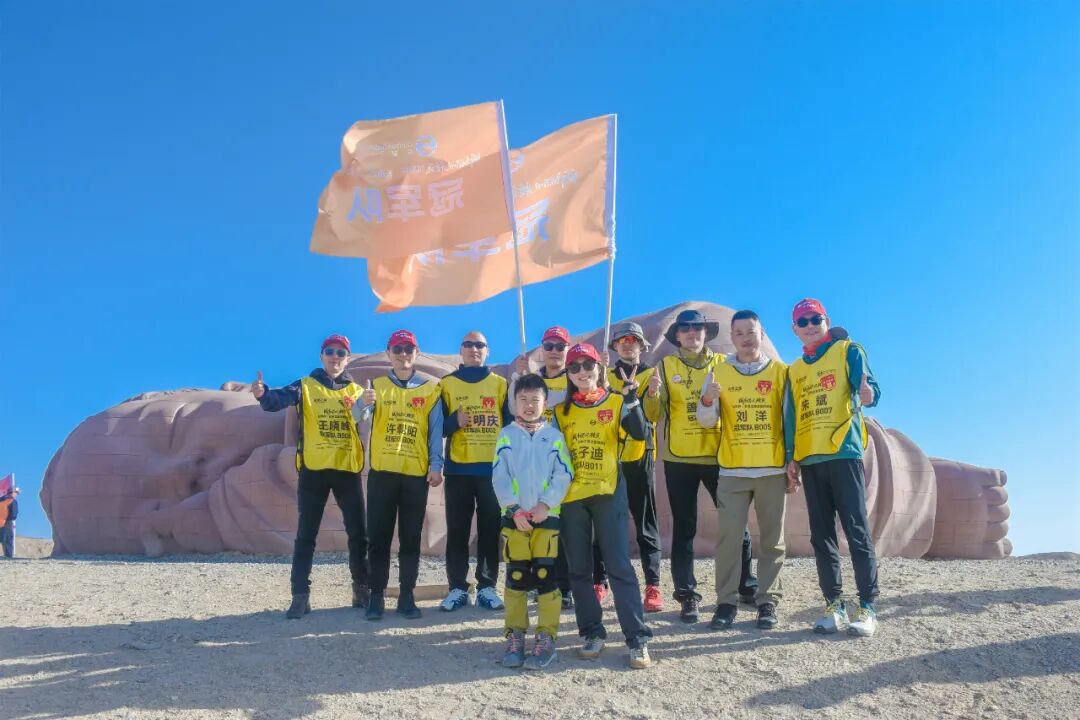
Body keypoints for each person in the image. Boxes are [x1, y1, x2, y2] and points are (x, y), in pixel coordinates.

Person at [253, 334, 371, 619]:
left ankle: (361, 589)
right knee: (306, 535)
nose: (335, 357)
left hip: (346, 468)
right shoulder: (305, 385)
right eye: (330, 351)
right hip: (314, 469)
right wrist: (262, 394)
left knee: (358, 533)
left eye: (340, 353)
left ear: (347, 359)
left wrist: (369, 403)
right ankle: (300, 596)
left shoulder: (357, 390)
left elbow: (365, 417)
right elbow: (277, 400)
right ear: (321, 356)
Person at [784, 298, 881, 637]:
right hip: (811, 459)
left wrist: (868, 394)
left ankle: (867, 606)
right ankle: (834, 605)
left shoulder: (848, 351)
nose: (810, 325)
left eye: (816, 319)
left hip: (843, 452)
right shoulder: (795, 370)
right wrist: (791, 457)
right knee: (821, 535)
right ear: (795, 330)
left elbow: (870, 389)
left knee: (856, 529)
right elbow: (792, 415)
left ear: (826, 321)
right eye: (803, 321)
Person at [555, 343, 654, 669]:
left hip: (608, 492)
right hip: (572, 498)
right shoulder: (559, 412)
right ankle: (592, 632)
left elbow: (639, 432)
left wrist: (631, 397)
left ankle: (637, 639)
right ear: (568, 374)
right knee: (579, 570)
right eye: (575, 367)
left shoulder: (615, 401)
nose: (582, 372)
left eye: (588, 365)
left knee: (619, 566)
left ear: (599, 368)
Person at [696, 310, 796, 631]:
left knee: (772, 540)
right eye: (738, 333)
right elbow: (706, 421)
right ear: (732, 337)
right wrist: (708, 401)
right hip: (733, 470)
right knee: (728, 539)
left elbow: (789, 419)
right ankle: (726, 602)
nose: (745, 338)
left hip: (771, 469)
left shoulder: (780, 372)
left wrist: (792, 461)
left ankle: (767, 601)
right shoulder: (719, 372)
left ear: (761, 334)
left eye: (751, 332)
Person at [657, 309, 758, 622]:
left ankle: (746, 585)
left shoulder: (724, 364)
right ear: (677, 335)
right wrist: (650, 396)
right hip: (679, 457)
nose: (692, 332)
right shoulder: (665, 366)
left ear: (705, 333)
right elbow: (654, 412)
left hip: (719, 456)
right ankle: (687, 595)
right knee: (684, 528)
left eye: (697, 327)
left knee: (735, 523)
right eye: (685, 328)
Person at [492, 373, 573, 670]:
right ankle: (515, 635)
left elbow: (564, 474)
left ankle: (546, 637)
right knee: (516, 577)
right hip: (515, 519)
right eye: (523, 399)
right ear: (514, 403)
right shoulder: (506, 435)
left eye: (535, 400)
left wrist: (546, 504)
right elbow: (499, 475)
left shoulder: (554, 437)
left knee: (545, 576)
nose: (528, 405)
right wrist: (513, 508)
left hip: (546, 518)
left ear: (545, 403)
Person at [362, 329, 444, 621]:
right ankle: (376, 596)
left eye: (408, 349)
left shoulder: (431, 389)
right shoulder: (377, 386)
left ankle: (407, 595)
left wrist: (436, 465)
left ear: (416, 353)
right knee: (378, 537)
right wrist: (364, 404)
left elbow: (435, 430)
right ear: (389, 353)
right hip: (383, 473)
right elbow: (361, 418)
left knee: (410, 537)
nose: (403, 354)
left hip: (415, 474)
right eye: (397, 349)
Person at [438, 330, 513, 612]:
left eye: (480, 344)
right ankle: (457, 587)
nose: (474, 349)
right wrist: (453, 422)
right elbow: (436, 429)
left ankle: (487, 587)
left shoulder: (500, 384)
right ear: (461, 350)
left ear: (487, 350)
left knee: (490, 529)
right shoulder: (446, 384)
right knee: (457, 529)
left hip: (492, 470)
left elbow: (511, 427)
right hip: (458, 468)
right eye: (468, 344)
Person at [602, 321, 664, 613]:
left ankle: (653, 585)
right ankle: (599, 580)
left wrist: (651, 395)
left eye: (633, 340)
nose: (628, 345)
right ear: (615, 346)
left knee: (645, 522)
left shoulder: (652, 373)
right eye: (622, 341)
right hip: (608, 457)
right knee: (603, 522)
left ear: (642, 345)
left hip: (640, 454)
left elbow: (654, 416)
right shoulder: (604, 375)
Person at [514, 325, 575, 609]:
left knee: (562, 529)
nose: (553, 351)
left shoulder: (574, 377)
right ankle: (538, 583)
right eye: (548, 346)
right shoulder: (531, 379)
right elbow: (514, 410)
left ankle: (564, 587)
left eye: (559, 346)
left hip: (564, 459)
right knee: (535, 525)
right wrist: (518, 378)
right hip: (533, 462)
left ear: (567, 349)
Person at [1, 486, 19, 558]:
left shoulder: (1, 499)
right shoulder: (12, 501)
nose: (17, 495)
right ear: (13, 492)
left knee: (2, 538)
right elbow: (13, 515)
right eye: (16, 493)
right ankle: (8, 556)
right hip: (7, 522)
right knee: (8, 539)